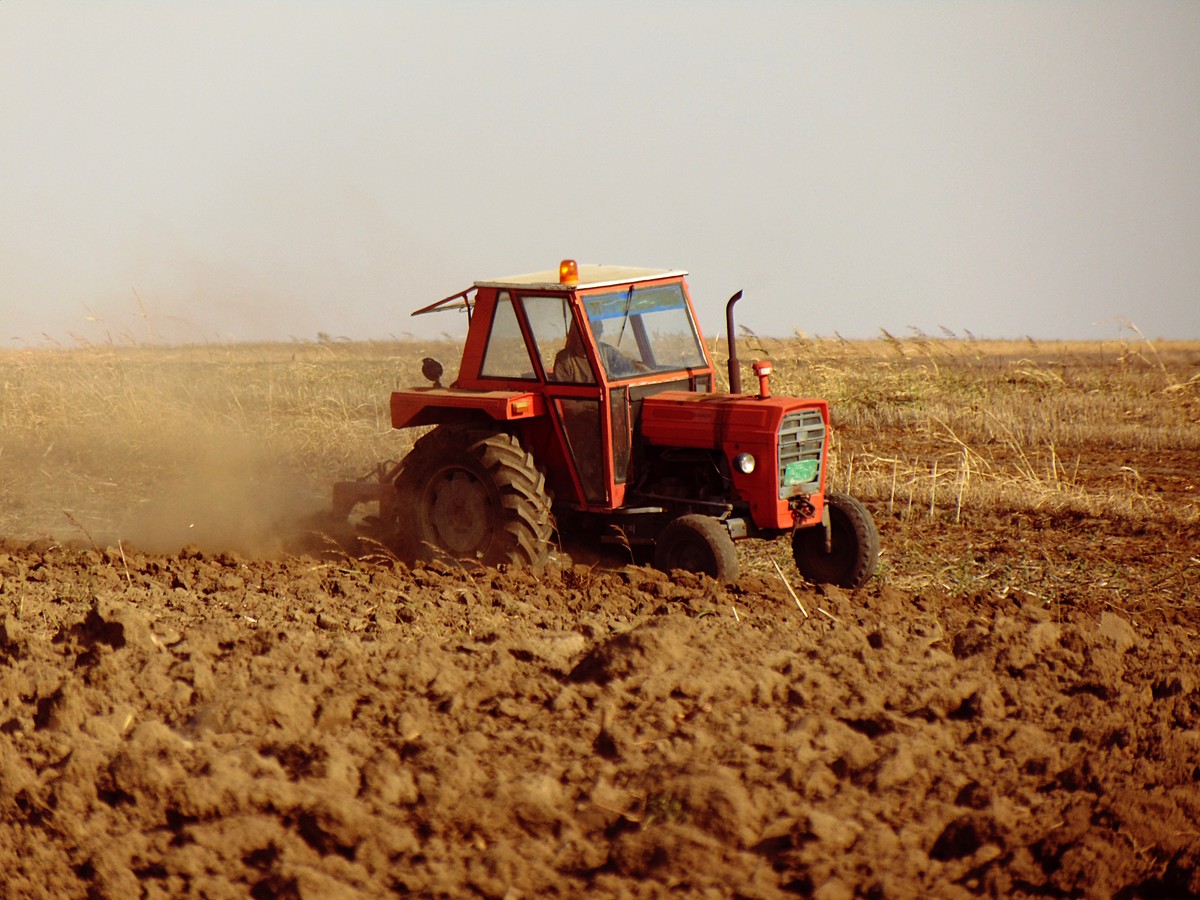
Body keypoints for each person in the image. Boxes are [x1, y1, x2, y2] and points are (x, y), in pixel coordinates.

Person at [553, 318, 640, 382]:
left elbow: (630, 369)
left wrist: (641, 368)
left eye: (598, 333)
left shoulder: (608, 352)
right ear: (578, 333)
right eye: (594, 333)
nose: (596, 337)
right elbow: (566, 399)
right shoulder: (564, 360)